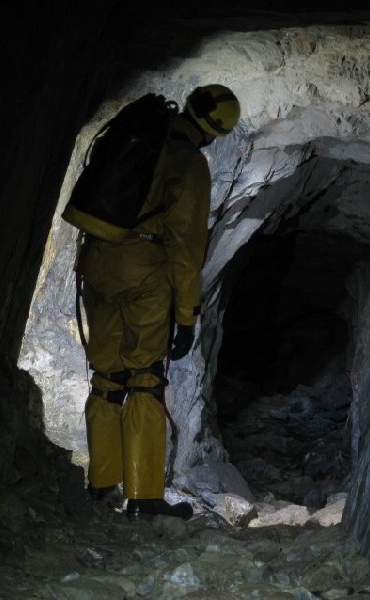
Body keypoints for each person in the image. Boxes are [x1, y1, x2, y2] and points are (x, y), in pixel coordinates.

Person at [77, 84, 241, 520]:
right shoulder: (188, 164)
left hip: (95, 259)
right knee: (145, 376)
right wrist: (186, 316)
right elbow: (186, 251)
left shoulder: (137, 136)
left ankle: (100, 483)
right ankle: (145, 495)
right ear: (213, 133)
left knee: (107, 375)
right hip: (142, 270)